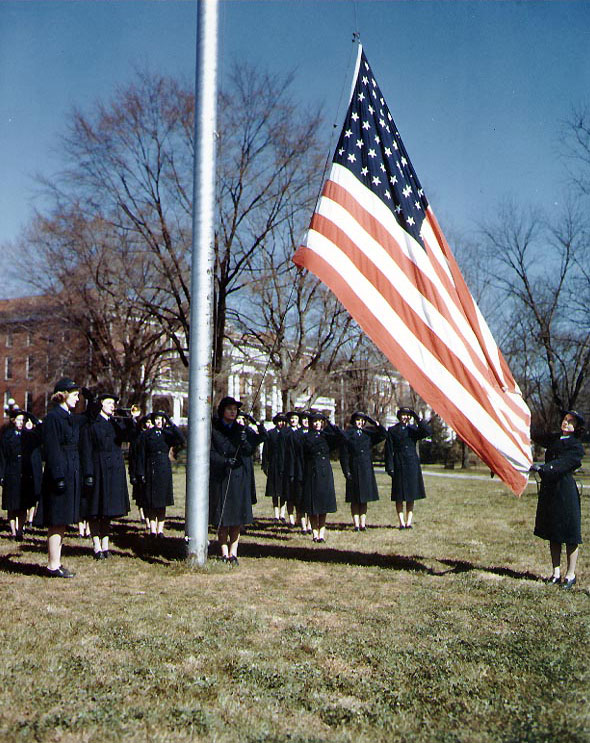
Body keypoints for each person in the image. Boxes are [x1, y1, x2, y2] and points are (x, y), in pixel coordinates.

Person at [36, 378, 86, 578]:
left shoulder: (68, 416)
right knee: (56, 520)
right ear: (63, 395)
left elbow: (88, 418)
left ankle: (56, 563)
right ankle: (52, 565)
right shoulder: (53, 418)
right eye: (75, 395)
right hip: (60, 474)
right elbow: (52, 449)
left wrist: (93, 402)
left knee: (62, 521)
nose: (77, 399)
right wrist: (58, 476)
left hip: (69, 471)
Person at [531, 410, 585, 589]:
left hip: (565, 490)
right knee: (553, 532)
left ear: (576, 427)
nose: (566, 423)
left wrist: (544, 468)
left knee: (570, 533)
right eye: (564, 419)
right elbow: (535, 435)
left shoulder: (576, 447)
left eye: (570, 422)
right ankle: (555, 572)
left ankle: (570, 575)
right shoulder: (554, 439)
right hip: (550, 490)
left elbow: (564, 464)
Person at [209, 396, 266, 565]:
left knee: (236, 518)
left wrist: (254, 424)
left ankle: (233, 552)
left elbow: (258, 441)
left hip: (238, 477)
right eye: (229, 409)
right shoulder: (214, 429)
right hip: (221, 476)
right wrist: (224, 461)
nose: (233, 412)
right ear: (222, 411)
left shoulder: (242, 429)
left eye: (235, 409)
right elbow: (210, 453)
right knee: (223, 517)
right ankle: (223, 552)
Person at [80, 393, 133, 559]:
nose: (113, 406)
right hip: (98, 468)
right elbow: (86, 450)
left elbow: (129, 436)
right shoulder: (92, 424)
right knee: (96, 510)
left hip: (114, 470)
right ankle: (96, 546)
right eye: (109, 403)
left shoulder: (116, 423)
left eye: (114, 403)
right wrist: (88, 473)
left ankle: (105, 545)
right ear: (101, 404)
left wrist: (130, 419)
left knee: (108, 510)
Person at [136, 410, 185, 538]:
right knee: (151, 502)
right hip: (150, 468)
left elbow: (181, 439)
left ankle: (160, 529)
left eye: (161, 419)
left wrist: (171, 423)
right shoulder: (146, 435)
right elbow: (140, 455)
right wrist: (141, 472)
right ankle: (152, 530)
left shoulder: (167, 434)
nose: (159, 421)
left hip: (164, 467)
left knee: (162, 501)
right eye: (156, 419)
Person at [385, 407, 431, 529]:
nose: (405, 417)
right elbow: (388, 450)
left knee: (411, 494)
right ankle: (401, 522)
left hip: (411, 463)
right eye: (403, 415)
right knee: (399, 495)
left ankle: (408, 522)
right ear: (399, 416)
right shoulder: (392, 430)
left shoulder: (413, 430)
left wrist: (417, 418)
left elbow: (427, 431)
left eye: (407, 415)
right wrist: (389, 467)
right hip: (398, 463)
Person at [339, 411, 386, 531]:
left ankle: (363, 524)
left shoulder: (368, 434)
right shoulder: (348, 434)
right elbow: (344, 455)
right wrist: (346, 471)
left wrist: (374, 423)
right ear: (354, 421)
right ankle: (355, 524)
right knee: (354, 499)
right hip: (353, 468)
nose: (360, 422)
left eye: (362, 420)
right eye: (357, 420)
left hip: (366, 469)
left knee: (364, 498)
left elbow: (383, 434)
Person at [0, 409, 42, 540]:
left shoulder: (29, 436)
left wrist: (32, 418)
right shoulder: (6, 436)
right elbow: (2, 457)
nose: (20, 422)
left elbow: (41, 434)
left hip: (25, 474)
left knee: (23, 505)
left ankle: (20, 531)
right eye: (18, 420)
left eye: (22, 420)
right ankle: (13, 531)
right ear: (13, 421)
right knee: (11, 506)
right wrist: (1, 475)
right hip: (11, 473)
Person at [300, 411, 342, 543]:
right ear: (311, 423)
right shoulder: (307, 437)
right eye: (315, 421)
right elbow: (302, 456)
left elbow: (341, 437)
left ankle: (322, 533)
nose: (317, 424)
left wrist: (329, 424)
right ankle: (314, 533)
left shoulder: (327, 435)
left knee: (324, 505)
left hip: (325, 472)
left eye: (320, 421)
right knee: (313, 506)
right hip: (311, 472)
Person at [261, 413, 287, 521]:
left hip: (285, 466)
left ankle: (282, 513)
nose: (281, 423)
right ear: (275, 422)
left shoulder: (287, 434)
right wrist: (265, 466)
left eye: (283, 421)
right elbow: (265, 451)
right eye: (279, 421)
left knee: (284, 492)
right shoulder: (270, 434)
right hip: (273, 466)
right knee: (274, 492)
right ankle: (276, 514)